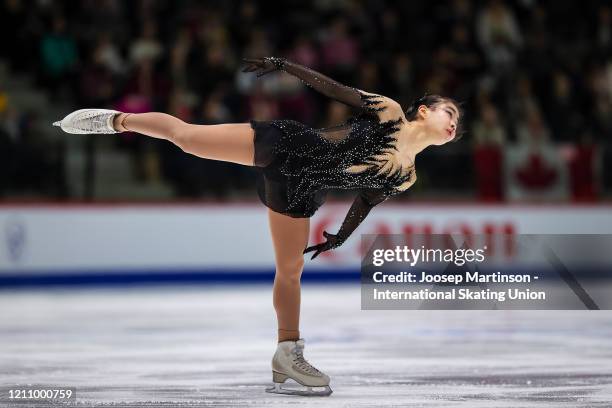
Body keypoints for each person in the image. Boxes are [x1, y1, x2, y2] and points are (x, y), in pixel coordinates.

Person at [53, 56, 461, 396]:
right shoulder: (389, 113)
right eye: (450, 111)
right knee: (188, 137)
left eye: (458, 120)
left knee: (290, 270)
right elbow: (335, 89)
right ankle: (116, 121)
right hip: (286, 145)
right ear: (424, 110)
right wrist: (286, 66)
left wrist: (341, 236)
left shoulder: (405, 177)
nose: (454, 120)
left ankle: (287, 352)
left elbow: (367, 199)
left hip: (300, 190)